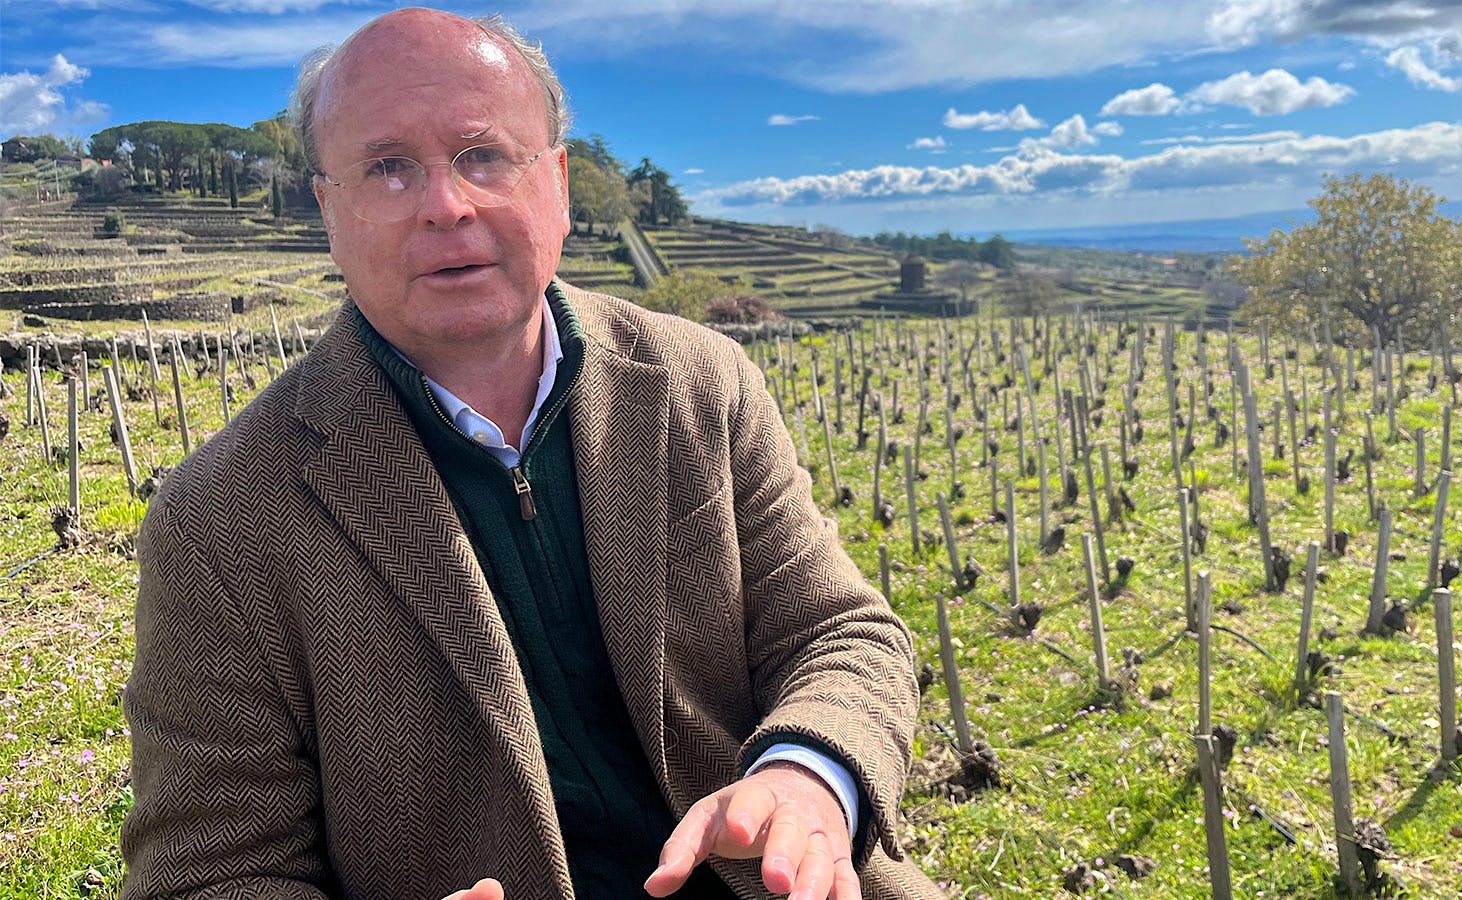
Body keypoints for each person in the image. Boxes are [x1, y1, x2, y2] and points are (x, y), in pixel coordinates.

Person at [119, 9, 940, 900]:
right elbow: (211, 873)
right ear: (329, 208)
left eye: (484, 155)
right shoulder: (220, 519)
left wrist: (809, 776)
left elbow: (839, 631)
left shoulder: (704, 380)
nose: (447, 204)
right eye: (389, 167)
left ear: (556, 182)